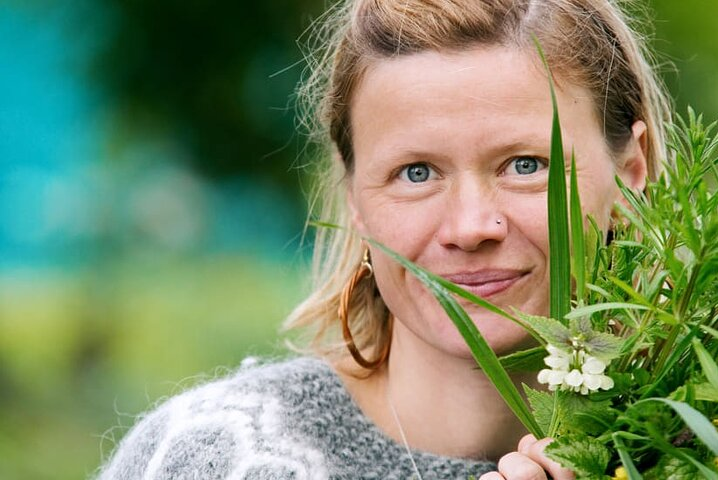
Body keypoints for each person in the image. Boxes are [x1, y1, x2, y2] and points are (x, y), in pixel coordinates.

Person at [96, 0, 670, 479]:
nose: (470, 227)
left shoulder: (691, 442)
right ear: (355, 201)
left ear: (630, 172)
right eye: (416, 173)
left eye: (524, 164)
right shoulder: (212, 457)